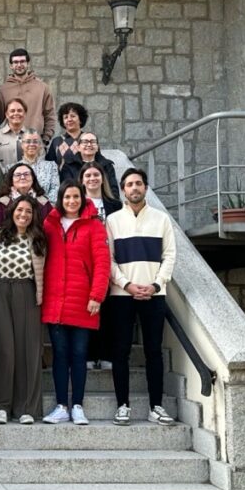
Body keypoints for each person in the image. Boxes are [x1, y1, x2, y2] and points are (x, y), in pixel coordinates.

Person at [106, 168, 176, 427]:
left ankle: (156, 406)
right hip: (122, 294)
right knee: (120, 350)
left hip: (154, 294)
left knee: (153, 352)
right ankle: (122, 405)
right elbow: (109, 259)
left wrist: (156, 285)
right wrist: (127, 284)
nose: (134, 188)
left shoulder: (161, 219)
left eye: (138, 183)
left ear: (145, 187)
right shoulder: (113, 220)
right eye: (129, 184)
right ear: (123, 190)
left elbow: (169, 255)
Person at [41, 182, 110, 426]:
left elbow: (103, 264)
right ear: (61, 199)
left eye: (75, 196)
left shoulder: (94, 226)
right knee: (60, 354)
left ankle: (77, 405)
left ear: (82, 198)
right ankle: (61, 406)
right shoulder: (49, 224)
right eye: (67, 197)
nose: (71, 201)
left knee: (79, 354)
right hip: (54, 301)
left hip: (83, 301)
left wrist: (96, 296)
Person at [0, 195, 46, 424]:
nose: (23, 215)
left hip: (26, 292)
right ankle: (1, 405)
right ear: (12, 211)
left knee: (27, 349)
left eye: (28, 211)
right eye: (19, 210)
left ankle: (26, 407)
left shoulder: (38, 238)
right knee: (3, 349)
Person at [80, 161, 122, 371]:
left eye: (96, 175)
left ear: (102, 178)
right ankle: (89, 354)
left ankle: (106, 354)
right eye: (88, 175)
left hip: (109, 259)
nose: (92, 179)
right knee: (86, 310)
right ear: (82, 180)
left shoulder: (114, 205)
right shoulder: (76, 203)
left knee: (107, 310)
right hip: (84, 262)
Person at [0, 48, 56, 144]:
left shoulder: (42, 87)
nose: (19, 65)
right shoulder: (3, 90)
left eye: (22, 61)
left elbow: (50, 115)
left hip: (35, 141)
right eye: (15, 62)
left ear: (28, 63)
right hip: (10, 142)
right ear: (11, 66)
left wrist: (46, 138)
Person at [0, 163, 54, 229]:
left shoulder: (43, 202)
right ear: (11, 180)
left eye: (26, 174)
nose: (22, 177)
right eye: (18, 175)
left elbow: (52, 228)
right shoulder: (2, 204)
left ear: (33, 178)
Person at [58, 131, 120, 199]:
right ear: (78, 147)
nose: (89, 144)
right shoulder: (69, 166)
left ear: (97, 147)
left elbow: (114, 191)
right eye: (85, 142)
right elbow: (66, 191)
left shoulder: (107, 166)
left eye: (93, 142)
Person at [0, 98, 38, 172]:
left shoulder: (33, 135)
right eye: (12, 111)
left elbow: (40, 160)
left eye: (20, 111)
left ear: (25, 114)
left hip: (27, 179)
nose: (16, 113)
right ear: (7, 115)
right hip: (2, 180)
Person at [17, 129, 59, 198]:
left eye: (35, 141)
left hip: (46, 207)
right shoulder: (13, 168)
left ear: (40, 145)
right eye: (28, 141)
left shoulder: (51, 166)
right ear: (22, 145)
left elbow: (55, 193)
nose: (32, 144)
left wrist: (43, 206)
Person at [46, 102, 88, 168]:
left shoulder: (88, 139)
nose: (69, 119)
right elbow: (49, 165)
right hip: (62, 178)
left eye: (73, 116)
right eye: (66, 117)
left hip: (85, 177)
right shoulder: (56, 142)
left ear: (80, 119)